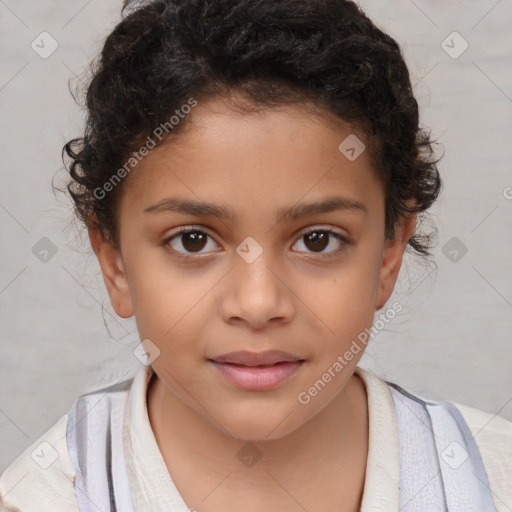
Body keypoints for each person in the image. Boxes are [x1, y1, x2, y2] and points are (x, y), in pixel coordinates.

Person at [1, 0, 511, 511]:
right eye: (193, 240)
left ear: (388, 252)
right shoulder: (43, 497)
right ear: (114, 261)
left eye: (317, 240)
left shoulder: (492, 476)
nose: (258, 302)